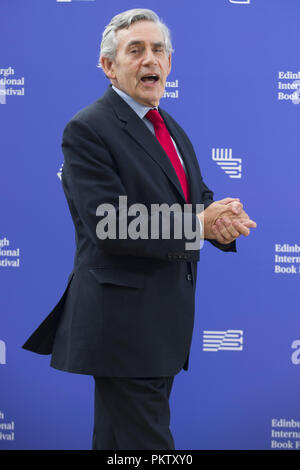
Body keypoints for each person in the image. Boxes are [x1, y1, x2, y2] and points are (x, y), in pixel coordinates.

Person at [23, 9, 256, 450]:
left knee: (119, 446)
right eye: (136, 50)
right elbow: (110, 224)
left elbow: (196, 200)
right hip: (122, 329)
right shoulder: (88, 128)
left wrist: (220, 221)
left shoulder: (170, 127)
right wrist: (198, 226)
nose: (151, 59)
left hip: (160, 326)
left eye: (158, 50)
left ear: (169, 62)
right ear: (110, 67)